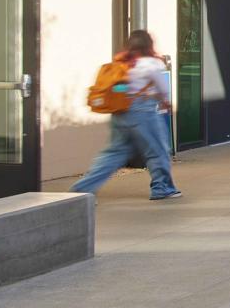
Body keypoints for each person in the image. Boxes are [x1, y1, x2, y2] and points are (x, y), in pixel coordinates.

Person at [71, 30, 182, 200]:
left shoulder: (122, 63)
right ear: (148, 45)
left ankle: (82, 189)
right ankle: (162, 188)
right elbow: (163, 89)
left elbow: (119, 89)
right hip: (144, 113)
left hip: (121, 112)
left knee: (114, 153)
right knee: (158, 150)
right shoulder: (152, 64)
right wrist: (164, 101)